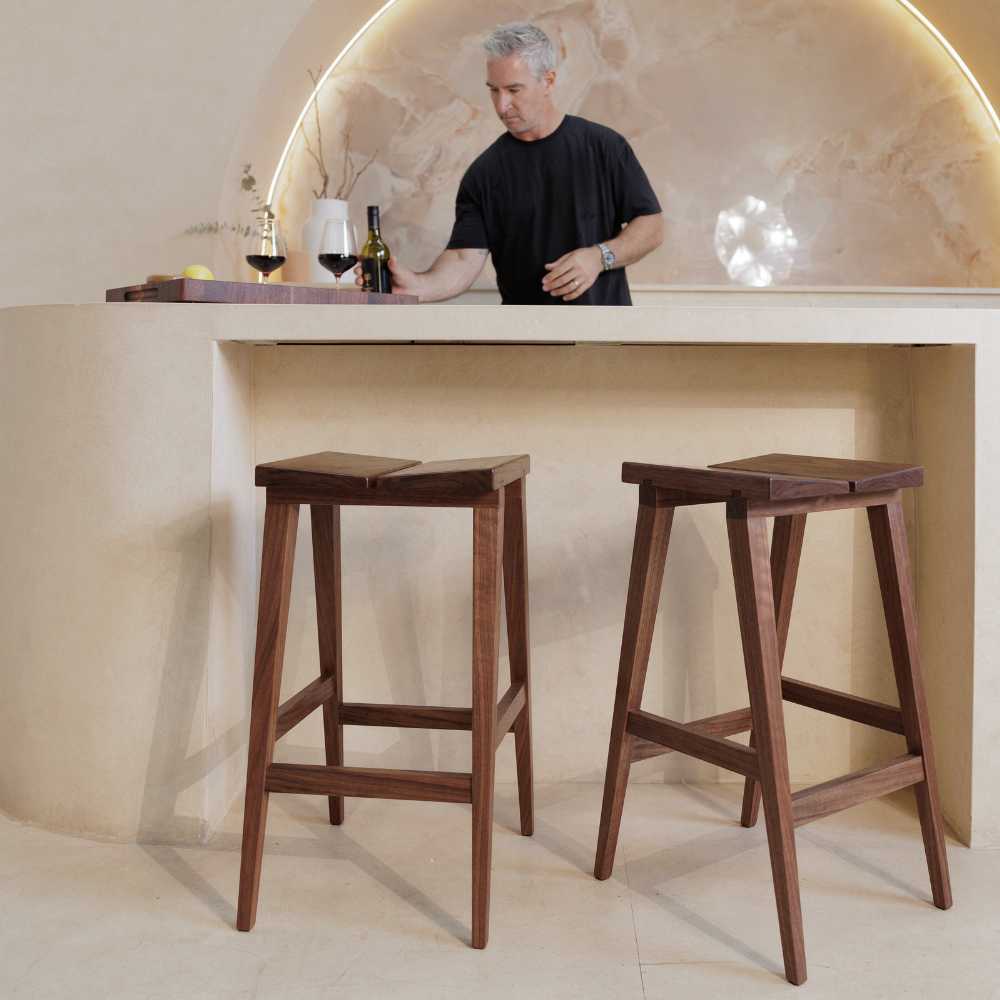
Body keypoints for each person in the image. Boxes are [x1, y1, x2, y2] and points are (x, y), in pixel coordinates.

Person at [355, 22, 664, 304]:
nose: (502, 106)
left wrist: (599, 256)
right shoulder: (483, 174)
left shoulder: (603, 146)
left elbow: (652, 226)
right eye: (494, 91)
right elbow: (464, 259)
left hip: (604, 341)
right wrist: (416, 287)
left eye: (514, 90)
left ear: (548, 81)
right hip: (523, 347)